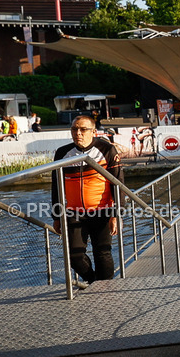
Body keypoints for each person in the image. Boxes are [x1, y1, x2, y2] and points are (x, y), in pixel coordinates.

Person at [51, 115, 123, 287]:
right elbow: (56, 187)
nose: (78, 133)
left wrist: (116, 215)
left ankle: (105, 290)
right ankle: (94, 284)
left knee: (103, 253)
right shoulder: (62, 153)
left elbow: (118, 185)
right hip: (73, 212)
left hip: (102, 210)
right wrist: (56, 215)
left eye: (83, 129)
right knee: (74, 256)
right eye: (74, 129)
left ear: (94, 131)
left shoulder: (106, 150)